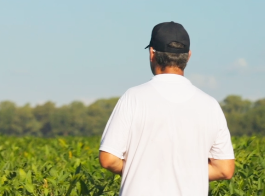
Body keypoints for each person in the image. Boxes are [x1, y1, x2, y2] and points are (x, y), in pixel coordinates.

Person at [98, 21, 235, 195]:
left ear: (152, 53)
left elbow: (108, 159)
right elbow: (224, 169)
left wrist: (139, 171)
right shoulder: (210, 105)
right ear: (188, 56)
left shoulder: (133, 98)